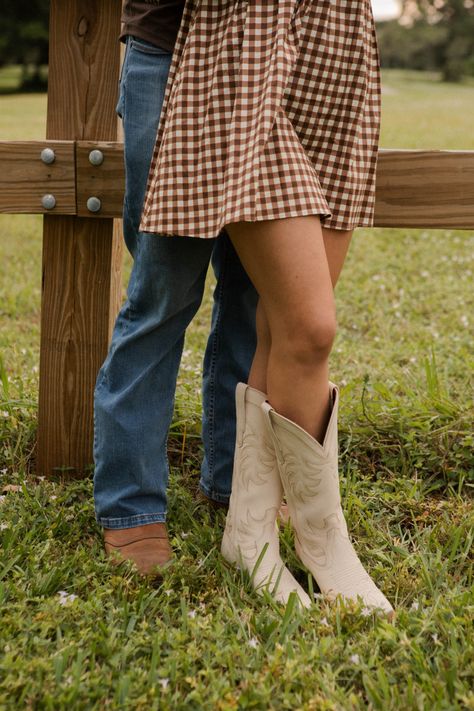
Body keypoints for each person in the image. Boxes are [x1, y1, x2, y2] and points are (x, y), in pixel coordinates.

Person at [137, 0, 395, 618]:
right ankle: (323, 540)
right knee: (311, 328)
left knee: (280, 325)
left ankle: (249, 533)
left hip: (339, 41)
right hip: (243, 36)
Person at [93, 1, 258, 574]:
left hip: (269, 57)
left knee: (253, 291)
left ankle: (236, 483)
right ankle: (130, 501)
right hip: (170, 46)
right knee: (163, 288)